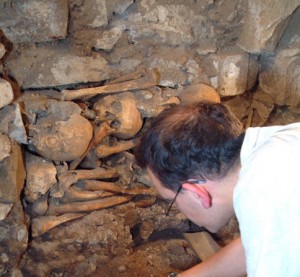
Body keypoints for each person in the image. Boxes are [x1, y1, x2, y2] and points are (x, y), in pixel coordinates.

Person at [134, 102, 300, 277]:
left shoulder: (263, 194)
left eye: (171, 201)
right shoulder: (278, 144)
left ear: (197, 194)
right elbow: (264, 244)